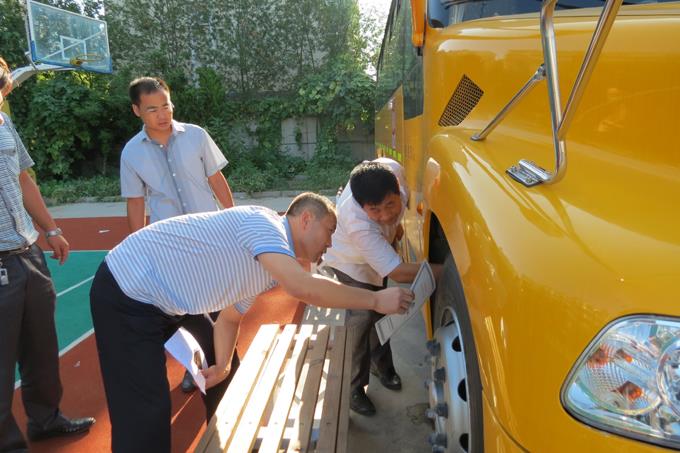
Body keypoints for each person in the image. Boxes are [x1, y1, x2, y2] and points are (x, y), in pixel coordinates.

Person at [89, 192, 413, 453]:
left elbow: (229, 319)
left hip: (167, 300)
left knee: (225, 376)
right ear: (306, 219)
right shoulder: (264, 224)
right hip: (127, 291)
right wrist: (374, 300)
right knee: (145, 412)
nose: (330, 245)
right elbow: (302, 286)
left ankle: (225, 442)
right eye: (330, 231)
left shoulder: (267, 266)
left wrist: (223, 366)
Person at [0, 56, 95, 452]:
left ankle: (45, 419)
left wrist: (51, 229)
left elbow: (23, 178)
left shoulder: (4, 123)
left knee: (41, 348)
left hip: (27, 251)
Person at [121, 76, 235, 392]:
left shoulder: (196, 136)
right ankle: (195, 367)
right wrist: (137, 247)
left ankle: (227, 361)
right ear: (137, 110)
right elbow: (135, 202)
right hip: (170, 244)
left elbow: (216, 179)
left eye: (166, 105)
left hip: (211, 234)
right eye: (152, 109)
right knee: (185, 310)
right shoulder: (131, 153)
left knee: (220, 301)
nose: (163, 114)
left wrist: (232, 218)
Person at [322, 158, 441, 416]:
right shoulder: (356, 222)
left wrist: (395, 229)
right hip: (350, 264)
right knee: (360, 322)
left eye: (390, 204)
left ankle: (382, 367)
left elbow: (393, 219)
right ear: (361, 206)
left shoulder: (392, 169)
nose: (385, 215)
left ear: (397, 186)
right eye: (375, 210)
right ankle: (353, 388)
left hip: (378, 257)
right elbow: (397, 272)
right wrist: (453, 271)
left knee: (381, 315)